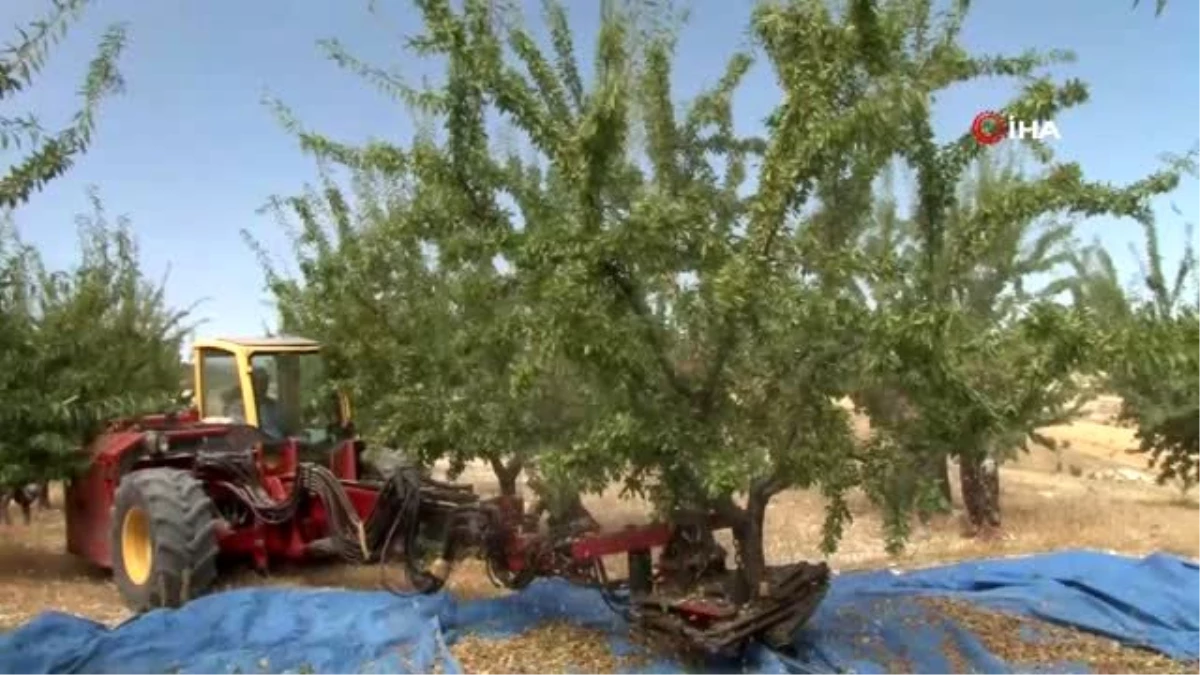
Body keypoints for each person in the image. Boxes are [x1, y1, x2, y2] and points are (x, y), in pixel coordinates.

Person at [227, 367, 284, 438]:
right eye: (259, 382)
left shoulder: (273, 405)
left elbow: (282, 427)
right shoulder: (238, 407)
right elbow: (240, 429)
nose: (262, 386)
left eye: (265, 382)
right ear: (251, 384)